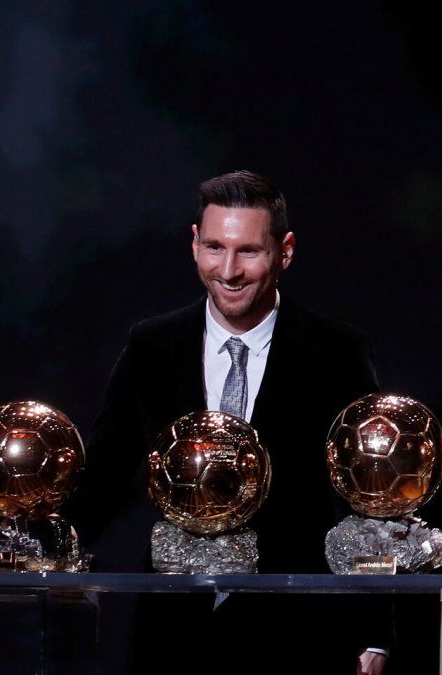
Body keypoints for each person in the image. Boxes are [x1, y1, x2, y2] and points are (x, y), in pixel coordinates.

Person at [68, 170, 389, 674]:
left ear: (285, 251)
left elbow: (369, 493)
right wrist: (40, 554)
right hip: (173, 629)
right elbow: (104, 475)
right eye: (215, 248)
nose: (229, 270)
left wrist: (377, 629)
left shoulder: (336, 351)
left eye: (248, 252)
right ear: (194, 244)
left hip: (297, 628)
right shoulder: (152, 346)